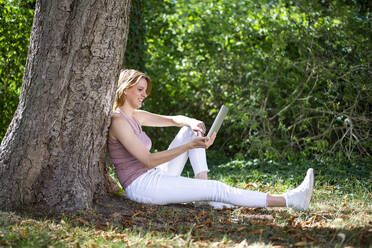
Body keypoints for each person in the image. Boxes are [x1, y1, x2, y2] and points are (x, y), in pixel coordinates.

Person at [108, 69, 314, 210]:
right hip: (142, 186)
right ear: (126, 89)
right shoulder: (119, 122)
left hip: (153, 176)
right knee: (218, 188)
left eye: (145, 90)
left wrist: (193, 123)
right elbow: (148, 160)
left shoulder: (134, 115)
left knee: (191, 130)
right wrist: (189, 146)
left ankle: (203, 187)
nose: (144, 95)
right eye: (140, 90)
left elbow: (173, 120)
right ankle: (289, 200)